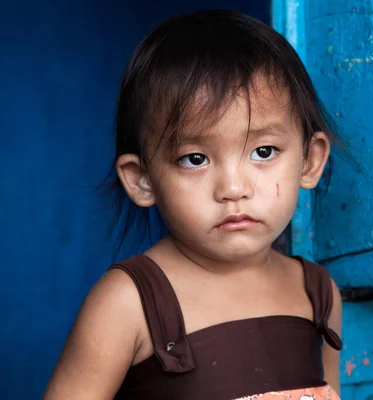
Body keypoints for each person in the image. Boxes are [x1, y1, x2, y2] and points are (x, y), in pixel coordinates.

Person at [43, 9, 343, 400]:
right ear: (142, 179)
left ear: (310, 160)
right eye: (195, 159)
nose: (233, 188)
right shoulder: (127, 303)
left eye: (264, 151)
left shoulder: (318, 294)